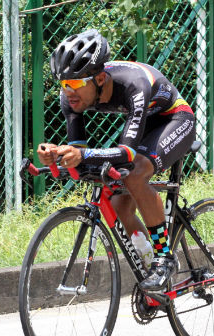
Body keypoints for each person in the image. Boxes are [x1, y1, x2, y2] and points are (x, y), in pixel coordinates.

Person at [37, 29, 196, 291]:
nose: (68, 92)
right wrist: (58, 155)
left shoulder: (134, 85)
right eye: (63, 85)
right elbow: (80, 152)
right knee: (121, 206)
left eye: (75, 84)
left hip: (175, 119)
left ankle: (164, 258)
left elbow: (128, 154)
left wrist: (83, 155)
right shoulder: (71, 99)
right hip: (145, 123)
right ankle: (154, 278)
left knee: (135, 173)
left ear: (99, 78)